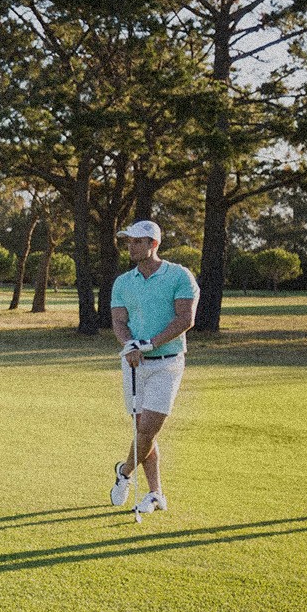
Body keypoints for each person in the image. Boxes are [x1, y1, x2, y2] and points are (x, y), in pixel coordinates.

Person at [108, 220, 198, 516]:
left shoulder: (179, 276)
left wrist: (150, 343)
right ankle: (156, 493)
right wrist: (130, 345)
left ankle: (124, 470)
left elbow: (186, 319)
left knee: (147, 428)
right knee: (143, 432)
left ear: (153, 244)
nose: (131, 246)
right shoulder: (123, 282)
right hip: (134, 365)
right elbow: (119, 322)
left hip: (167, 364)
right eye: (129, 241)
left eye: (137, 241)